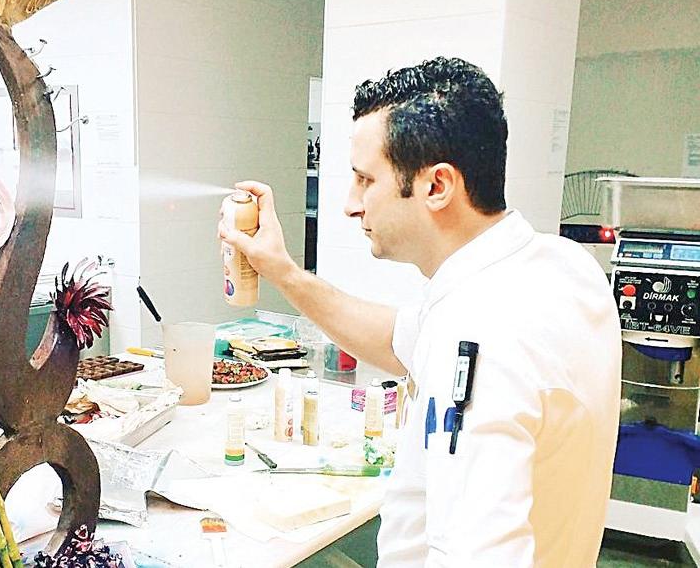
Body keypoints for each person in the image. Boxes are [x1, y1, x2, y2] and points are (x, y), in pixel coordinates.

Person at [219, 57, 621, 567]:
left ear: (437, 186)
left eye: (366, 180)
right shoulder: (556, 265)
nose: (350, 204)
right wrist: (283, 273)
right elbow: (399, 340)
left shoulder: (481, 334)